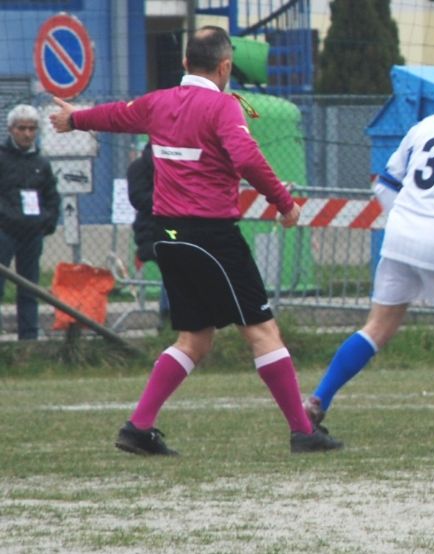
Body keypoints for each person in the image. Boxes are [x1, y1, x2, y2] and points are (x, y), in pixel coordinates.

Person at [50, 25, 342, 455]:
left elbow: (115, 114)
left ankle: (138, 428)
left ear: (185, 63)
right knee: (262, 330)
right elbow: (245, 157)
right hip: (212, 235)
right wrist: (284, 203)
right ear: (225, 67)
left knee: (195, 339)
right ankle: (303, 431)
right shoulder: (223, 108)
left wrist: (74, 117)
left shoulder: (157, 103)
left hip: (168, 236)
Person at [304, 59, 434, 437]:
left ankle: (317, 400)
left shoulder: (425, 126)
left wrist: (407, 217)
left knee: (377, 326)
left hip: (399, 237)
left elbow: (385, 183)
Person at [0, 104, 60, 340]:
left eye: (31, 129)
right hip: (4, 232)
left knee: (30, 288)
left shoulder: (41, 163)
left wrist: (46, 222)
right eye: (22, 128)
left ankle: (29, 339)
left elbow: (52, 196)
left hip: (32, 233)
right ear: (11, 129)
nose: (27, 134)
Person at [126, 142, 170, 324]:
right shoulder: (140, 168)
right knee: (176, 267)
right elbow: (139, 199)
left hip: (175, 231)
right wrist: (171, 199)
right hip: (155, 232)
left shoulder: (183, 163)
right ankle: (169, 317)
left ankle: (171, 317)